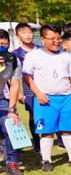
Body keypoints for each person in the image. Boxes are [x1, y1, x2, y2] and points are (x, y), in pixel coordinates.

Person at [22, 25, 71, 171]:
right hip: (45, 99)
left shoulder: (66, 56)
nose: (56, 41)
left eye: (58, 38)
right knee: (47, 130)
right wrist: (38, 93)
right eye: (52, 39)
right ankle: (46, 160)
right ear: (43, 39)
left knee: (68, 129)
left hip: (66, 98)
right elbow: (26, 76)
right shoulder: (33, 56)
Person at [0, 29, 25, 175]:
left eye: (5, 41)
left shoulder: (13, 59)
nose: (2, 43)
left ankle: (12, 163)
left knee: (12, 125)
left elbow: (14, 84)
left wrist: (11, 109)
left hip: (2, 99)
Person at [12, 23, 39, 154]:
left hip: (45, 86)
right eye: (23, 32)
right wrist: (19, 94)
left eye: (29, 32)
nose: (28, 35)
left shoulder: (41, 50)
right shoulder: (16, 54)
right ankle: (37, 143)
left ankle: (59, 140)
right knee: (33, 115)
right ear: (17, 36)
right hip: (28, 88)